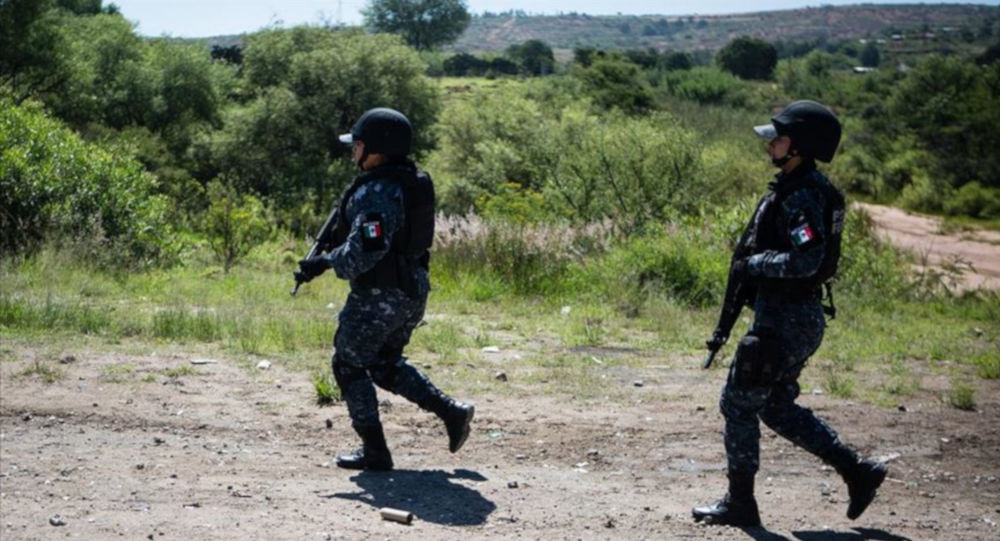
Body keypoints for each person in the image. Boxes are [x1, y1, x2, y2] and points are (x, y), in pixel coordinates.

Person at [692, 100, 887, 526]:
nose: (770, 146)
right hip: (792, 319)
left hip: (786, 321)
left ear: (798, 146)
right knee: (776, 407)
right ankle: (858, 471)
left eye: (777, 139)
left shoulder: (801, 195)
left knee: (738, 405)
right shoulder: (796, 186)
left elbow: (808, 261)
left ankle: (740, 505)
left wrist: (755, 264)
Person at [296, 107, 474, 471]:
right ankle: (452, 412)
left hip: (381, 296)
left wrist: (326, 263)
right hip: (410, 292)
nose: (352, 151)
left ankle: (375, 452)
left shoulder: (376, 191)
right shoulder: (404, 182)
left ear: (374, 148)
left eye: (357, 144)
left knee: (348, 364)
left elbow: (368, 250)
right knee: (381, 364)